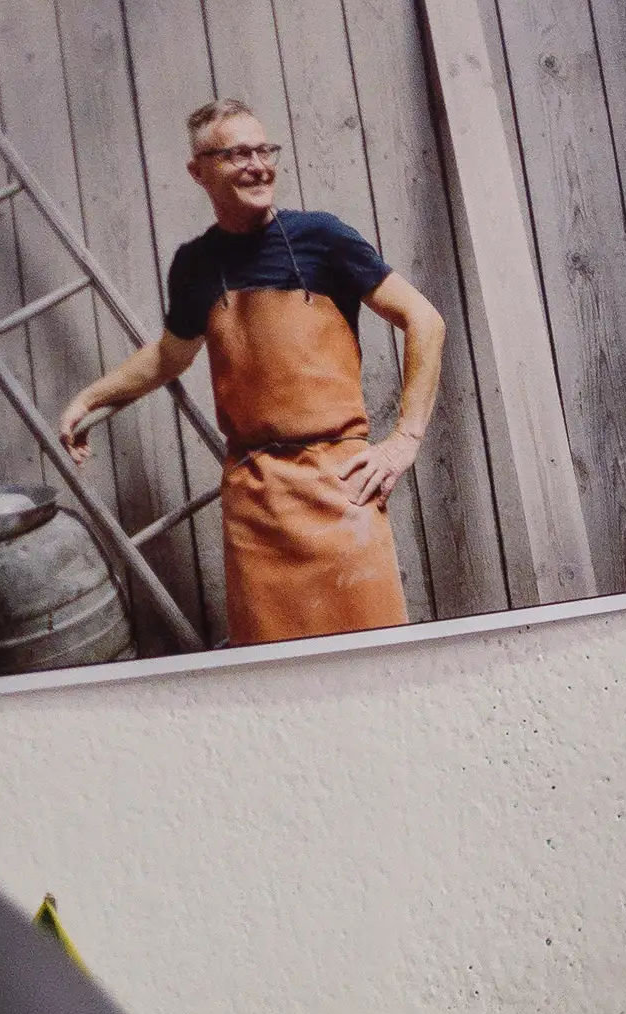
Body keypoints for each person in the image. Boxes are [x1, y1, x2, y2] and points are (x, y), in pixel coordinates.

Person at [54, 101, 447, 647]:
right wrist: (89, 400)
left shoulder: (323, 238)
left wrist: (405, 439)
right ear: (199, 171)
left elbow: (424, 319)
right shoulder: (193, 265)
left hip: (341, 488)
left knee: (376, 664)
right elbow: (170, 356)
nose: (259, 166)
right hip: (255, 504)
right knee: (276, 680)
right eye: (239, 153)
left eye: (265, 151)